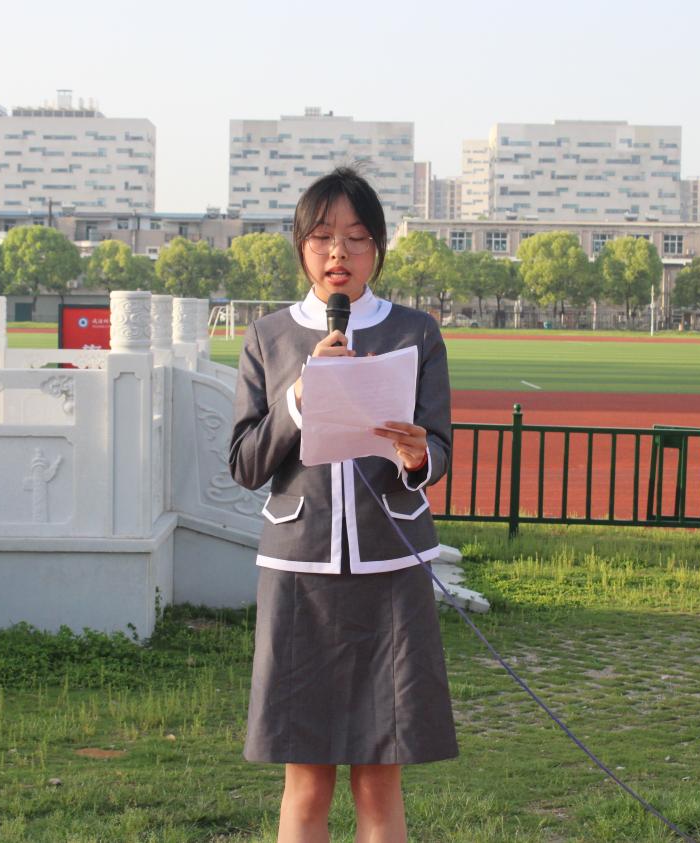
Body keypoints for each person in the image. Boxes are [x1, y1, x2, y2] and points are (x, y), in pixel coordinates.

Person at [229, 167, 457, 843]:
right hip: (300, 574)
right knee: (306, 778)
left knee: (379, 777)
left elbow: (438, 446)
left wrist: (416, 456)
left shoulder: (415, 332)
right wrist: (299, 397)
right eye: (323, 237)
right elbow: (245, 463)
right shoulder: (269, 337)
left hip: (392, 571)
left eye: (357, 238)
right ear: (301, 246)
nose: (339, 253)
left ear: (377, 248)